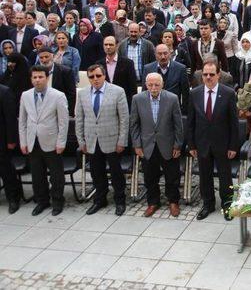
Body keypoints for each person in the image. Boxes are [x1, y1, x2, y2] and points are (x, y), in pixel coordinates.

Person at [187, 59, 239, 221]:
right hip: (202, 143)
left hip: (222, 143)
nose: (208, 77)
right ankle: (208, 204)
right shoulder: (194, 93)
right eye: (205, 74)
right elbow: (191, 122)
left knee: (225, 176)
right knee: (204, 175)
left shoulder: (229, 93)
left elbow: (234, 123)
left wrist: (233, 146)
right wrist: (192, 145)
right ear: (201, 76)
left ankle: (227, 204)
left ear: (218, 75)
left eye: (211, 74)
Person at [75, 64, 129, 216]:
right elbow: (79, 118)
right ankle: (100, 199)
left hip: (112, 140)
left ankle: (120, 200)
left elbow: (124, 119)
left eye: (98, 76)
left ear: (104, 75)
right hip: (92, 140)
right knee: (96, 173)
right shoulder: (83, 94)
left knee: (116, 173)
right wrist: (81, 141)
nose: (95, 79)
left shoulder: (118, 91)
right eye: (91, 77)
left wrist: (122, 141)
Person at [130, 73, 184, 218]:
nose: (153, 88)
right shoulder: (137, 99)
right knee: (149, 176)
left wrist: (178, 145)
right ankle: (153, 202)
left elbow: (178, 124)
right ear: (145, 85)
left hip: (168, 144)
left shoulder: (172, 99)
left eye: (157, 85)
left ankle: (173, 201)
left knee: (172, 176)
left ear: (162, 85)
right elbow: (134, 124)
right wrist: (137, 145)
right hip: (147, 145)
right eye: (150, 85)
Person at [18, 65, 69, 216]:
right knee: (37, 175)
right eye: (34, 77)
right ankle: (42, 201)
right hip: (32, 141)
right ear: (31, 79)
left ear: (47, 78)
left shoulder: (58, 96)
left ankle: (58, 201)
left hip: (51, 141)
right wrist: (23, 142)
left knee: (56, 176)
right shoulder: (25, 95)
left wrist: (61, 142)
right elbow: (22, 120)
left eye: (40, 77)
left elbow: (63, 122)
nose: (37, 80)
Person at [142, 44, 190, 114]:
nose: (163, 57)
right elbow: (145, 91)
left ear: (170, 54)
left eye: (165, 53)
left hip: (173, 110)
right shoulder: (148, 68)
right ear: (155, 55)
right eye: (159, 54)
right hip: (154, 110)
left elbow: (186, 94)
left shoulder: (181, 68)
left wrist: (183, 112)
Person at [96, 36, 137, 108]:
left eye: (111, 45)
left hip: (123, 103)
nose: (108, 47)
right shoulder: (98, 64)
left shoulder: (128, 63)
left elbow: (132, 88)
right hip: (104, 105)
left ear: (117, 46)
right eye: (106, 44)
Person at [0, 82, 20, 213]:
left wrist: (11, 140)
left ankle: (13, 198)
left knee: (6, 171)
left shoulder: (4, 91)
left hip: (2, 140)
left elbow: (11, 118)